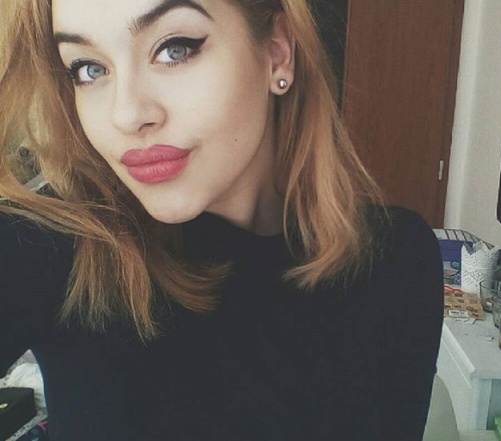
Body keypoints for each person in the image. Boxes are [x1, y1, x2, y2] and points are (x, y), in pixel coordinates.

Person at [0, 0, 443, 439]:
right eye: (88, 69)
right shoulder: (52, 240)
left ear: (277, 51)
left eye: (174, 49)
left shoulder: (396, 259)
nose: (127, 115)